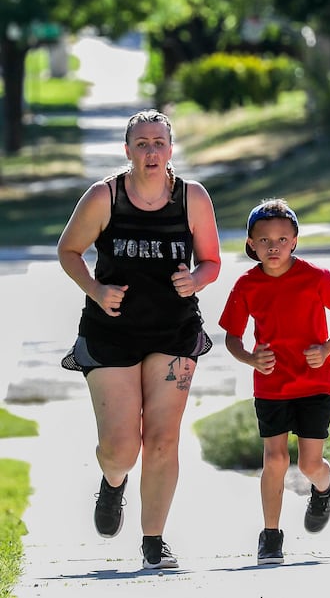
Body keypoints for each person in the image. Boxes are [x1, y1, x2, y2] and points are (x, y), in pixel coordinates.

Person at [57, 109, 221, 570]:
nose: (151, 151)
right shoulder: (104, 196)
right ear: (127, 150)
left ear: (171, 150)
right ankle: (113, 483)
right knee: (122, 448)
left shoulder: (193, 198)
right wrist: (95, 289)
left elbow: (211, 260)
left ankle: (154, 544)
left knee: (164, 441)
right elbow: (68, 251)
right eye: (142, 143)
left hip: (174, 330)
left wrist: (198, 280)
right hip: (111, 332)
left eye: (159, 143)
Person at [218, 198, 330, 565]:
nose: (273, 246)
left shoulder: (316, 278)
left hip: (315, 382)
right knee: (276, 459)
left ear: (295, 240)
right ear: (251, 244)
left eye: (282, 239)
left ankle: (324, 489)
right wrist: (250, 358)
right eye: (264, 240)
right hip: (271, 384)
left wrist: (328, 348)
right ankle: (270, 536)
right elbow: (232, 337)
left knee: (311, 465)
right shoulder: (247, 285)